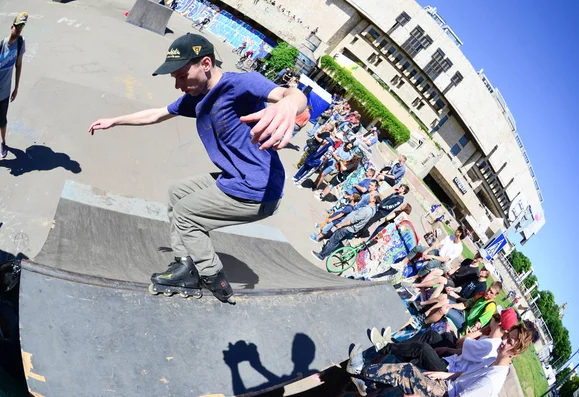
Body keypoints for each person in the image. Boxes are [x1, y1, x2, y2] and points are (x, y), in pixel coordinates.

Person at [88, 34, 307, 302]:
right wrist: (114, 120)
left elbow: (290, 94)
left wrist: (287, 104)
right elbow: (157, 113)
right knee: (177, 193)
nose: (179, 85)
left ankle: (214, 278)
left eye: (182, 75)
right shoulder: (197, 97)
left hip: (258, 190)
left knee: (186, 214)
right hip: (236, 178)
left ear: (205, 63)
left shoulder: (240, 84)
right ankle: (185, 264)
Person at [347, 319, 533, 396]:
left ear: (515, 352)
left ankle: (360, 370)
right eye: (508, 336)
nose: (505, 341)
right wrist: (446, 376)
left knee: (407, 371)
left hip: (444, 394)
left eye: (511, 341)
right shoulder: (494, 360)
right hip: (447, 381)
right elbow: (463, 374)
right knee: (421, 355)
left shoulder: (492, 380)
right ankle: (368, 380)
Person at [311, 194, 381, 261]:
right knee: (336, 241)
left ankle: (321, 255)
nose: (369, 196)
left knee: (333, 241)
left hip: (346, 227)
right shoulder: (373, 210)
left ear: (374, 200)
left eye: (371, 196)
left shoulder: (367, 210)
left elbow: (353, 220)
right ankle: (326, 251)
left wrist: (342, 225)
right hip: (350, 229)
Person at [0, 12, 27, 159]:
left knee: (2, 120)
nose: (19, 30)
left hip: (4, 92)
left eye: (21, 27)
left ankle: (3, 143)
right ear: (11, 27)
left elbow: (19, 65)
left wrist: (16, 88)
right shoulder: (1, 45)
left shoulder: (21, 43)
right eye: (17, 27)